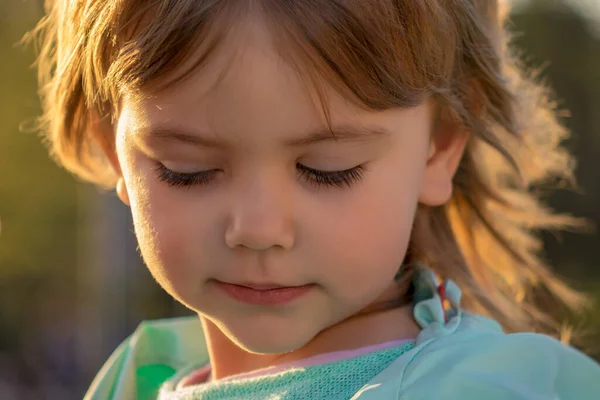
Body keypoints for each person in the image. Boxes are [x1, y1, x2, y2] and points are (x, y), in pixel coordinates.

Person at [29, 0, 600, 398]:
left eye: (328, 170)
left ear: (440, 147)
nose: (258, 227)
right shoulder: (136, 377)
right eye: (189, 170)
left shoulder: (495, 391)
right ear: (113, 149)